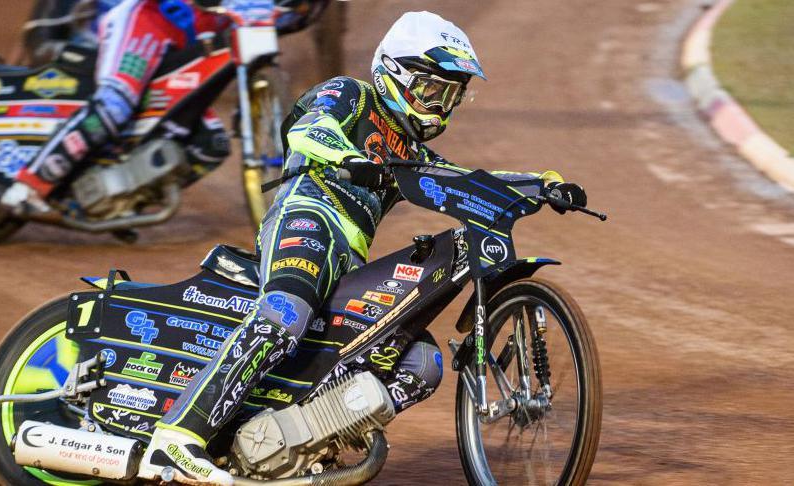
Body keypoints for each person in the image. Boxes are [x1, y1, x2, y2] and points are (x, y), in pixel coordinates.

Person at [137, 11, 587, 484]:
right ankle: (176, 439)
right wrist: (351, 158)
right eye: (434, 89)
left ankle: (293, 441)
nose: (442, 105)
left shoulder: (413, 152)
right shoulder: (351, 94)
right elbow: (308, 130)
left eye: (452, 95)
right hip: (307, 220)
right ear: (397, 73)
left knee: (419, 364)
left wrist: (538, 185)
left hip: (350, 259)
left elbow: (463, 182)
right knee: (285, 312)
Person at [1, 0, 234, 212]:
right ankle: (29, 186)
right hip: (147, 23)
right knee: (115, 104)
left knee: (211, 144)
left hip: (183, 46)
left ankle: (119, 198)